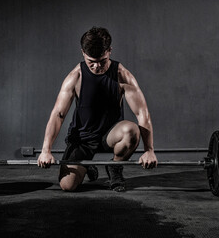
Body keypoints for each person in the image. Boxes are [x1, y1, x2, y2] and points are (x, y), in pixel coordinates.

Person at [37, 26, 157, 192]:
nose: (96, 67)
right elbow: (58, 114)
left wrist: (149, 150)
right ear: (83, 54)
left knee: (131, 131)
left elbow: (142, 114)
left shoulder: (122, 75)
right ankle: (88, 167)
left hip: (111, 136)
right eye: (91, 62)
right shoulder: (75, 77)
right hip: (83, 139)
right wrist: (46, 150)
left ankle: (115, 167)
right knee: (68, 186)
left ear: (109, 51)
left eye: (102, 61)